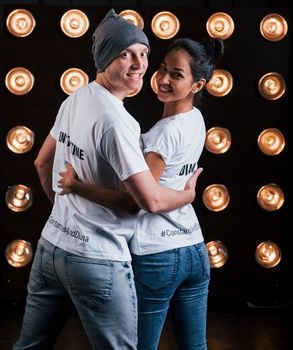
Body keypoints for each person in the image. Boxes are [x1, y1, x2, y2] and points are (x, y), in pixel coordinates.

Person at [12, 9, 200, 350]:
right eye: (124, 53)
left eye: (143, 53)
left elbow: (42, 163)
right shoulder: (118, 123)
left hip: (51, 247)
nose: (138, 63)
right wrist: (187, 196)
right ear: (103, 59)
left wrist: (68, 208)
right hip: (97, 259)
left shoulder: (76, 97)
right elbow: (147, 201)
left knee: (29, 345)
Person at [59, 37, 224, 350]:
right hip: (194, 249)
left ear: (196, 84)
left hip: (157, 254)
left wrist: (76, 186)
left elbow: (136, 203)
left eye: (176, 75)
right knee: (195, 346)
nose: (162, 79)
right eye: (162, 69)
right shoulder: (196, 120)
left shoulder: (162, 134)